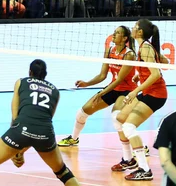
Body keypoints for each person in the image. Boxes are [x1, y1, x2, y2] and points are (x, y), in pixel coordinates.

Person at [58, 26, 142, 170]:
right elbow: (102, 75)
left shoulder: (129, 55)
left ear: (125, 38)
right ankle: (74, 138)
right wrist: (87, 83)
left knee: (117, 117)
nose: (114, 35)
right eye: (114, 32)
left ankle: (132, 154)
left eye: (117, 33)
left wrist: (101, 93)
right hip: (112, 88)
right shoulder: (109, 50)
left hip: (127, 90)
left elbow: (120, 80)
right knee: (82, 112)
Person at [117, 19, 169, 181]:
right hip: (149, 91)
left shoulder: (145, 47)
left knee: (129, 127)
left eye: (135, 27)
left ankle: (144, 169)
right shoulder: (145, 46)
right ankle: (129, 159)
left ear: (139, 32)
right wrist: (141, 72)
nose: (132, 28)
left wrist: (134, 92)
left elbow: (156, 74)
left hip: (156, 94)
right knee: (120, 118)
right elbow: (164, 62)